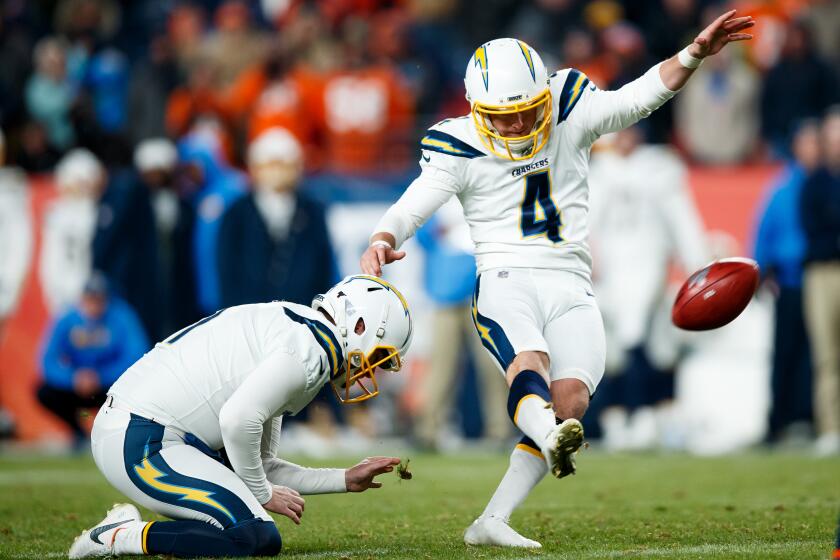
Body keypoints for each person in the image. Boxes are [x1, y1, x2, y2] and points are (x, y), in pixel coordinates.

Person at [360, 11, 754, 547]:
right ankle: (547, 436)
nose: (520, 126)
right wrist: (385, 237)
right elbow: (414, 204)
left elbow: (638, 97)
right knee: (531, 368)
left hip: (572, 280)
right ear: (478, 110)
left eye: (527, 111)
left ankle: (492, 520)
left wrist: (692, 55)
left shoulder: (570, 107)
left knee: (569, 402)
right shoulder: (458, 147)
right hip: (505, 277)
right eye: (506, 116)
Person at [68, 275, 412, 559]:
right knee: (253, 537)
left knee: (254, 534)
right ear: (362, 326)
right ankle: (118, 537)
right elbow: (237, 421)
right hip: (141, 440)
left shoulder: (297, 327)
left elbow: (258, 463)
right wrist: (263, 495)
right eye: (379, 359)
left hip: (143, 430)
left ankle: (124, 532)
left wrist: (344, 479)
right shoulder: (311, 351)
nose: (373, 372)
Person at [588, 124, 707, 450]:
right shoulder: (597, 171)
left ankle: (647, 416)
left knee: (648, 342)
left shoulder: (660, 168)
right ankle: (616, 419)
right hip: (609, 270)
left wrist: (695, 263)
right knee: (609, 349)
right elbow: (580, 222)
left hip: (647, 263)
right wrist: (584, 257)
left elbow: (681, 219)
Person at [414, 200, 510, 449]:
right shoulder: (437, 195)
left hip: (482, 290)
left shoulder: (482, 190)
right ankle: (428, 429)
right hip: (445, 293)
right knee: (441, 366)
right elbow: (422, 235)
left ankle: (500, 428)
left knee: (491, 364)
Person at [753, 121, 820, 443]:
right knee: (786, 353)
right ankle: (778, 421)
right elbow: (764, 235)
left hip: (820, 277)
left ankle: (808, 418)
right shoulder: (781, 189)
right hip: (790, 282)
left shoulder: (824, 183)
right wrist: (760, 271)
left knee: (817, 354)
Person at [218, 127, 335, 307]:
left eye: (283, 164)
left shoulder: (313, 212)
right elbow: (226, 271)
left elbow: (323, 267)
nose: (277, 172)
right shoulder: (236, 213)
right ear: (255, 168)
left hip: (302, 316)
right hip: (249, 316)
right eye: (270, 164)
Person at [37, 274, 149, 449]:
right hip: (77, 390)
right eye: (90, 300)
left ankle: (119, 436)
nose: (94, 305)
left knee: (138, 392)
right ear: (82, 299)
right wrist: (73, 378)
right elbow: (47, 361)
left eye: (99, 300)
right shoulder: (68, 319)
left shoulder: (122, 316)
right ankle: (78, 432)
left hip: (110, 390)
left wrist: (101, 377)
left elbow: (136, 356)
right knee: (44, 392)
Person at [800, 107, 840, 456]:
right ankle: (829, 427)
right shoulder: (814, 182)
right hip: (823, 271)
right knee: (825, 354)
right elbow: (812, 230)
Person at [134, 138, 200, 341]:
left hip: (178, 290)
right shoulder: (133, 207)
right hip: (143, 289)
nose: (155, 178)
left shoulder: (185, 206)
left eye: (160, 172)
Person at [40, 149, 105, 315]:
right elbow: (51, 261)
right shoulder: (57, 215)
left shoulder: (100, 213)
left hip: (94, 294)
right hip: (65, 293)